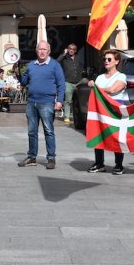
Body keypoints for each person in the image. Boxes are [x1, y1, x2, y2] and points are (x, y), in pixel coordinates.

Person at [18, 41, 65, 169]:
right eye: (40, 49)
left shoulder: (55, 65)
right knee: (31, 131)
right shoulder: (31, 65)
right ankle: (32, 157)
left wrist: (59, 101)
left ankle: (51, 158)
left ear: (49, 51)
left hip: (47, 102)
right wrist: (18, 71)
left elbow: (61, 84)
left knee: (48, 131)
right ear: (36, 50)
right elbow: (24, 82)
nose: (42, 51)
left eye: (45, 49)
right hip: (32, 102)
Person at [86, 50, 129, 175]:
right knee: (98, 134)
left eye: (109, 59)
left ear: (116, 61)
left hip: (115, 111)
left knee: (116, 136)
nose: (106, 61)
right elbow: (96, 95)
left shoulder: (121, 76)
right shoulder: (100, 77)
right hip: (100, 110)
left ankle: (119, 165)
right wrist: (91, 84)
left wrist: (96, 87)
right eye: (105, 59)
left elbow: (113, 89)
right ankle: (99, 163)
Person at [57, 42, 85, 124]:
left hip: (78, 82)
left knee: (79, 99)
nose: (71, 50)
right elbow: (57, 62)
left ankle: (80, 115)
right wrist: (64, 53)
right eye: (70, 49)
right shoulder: (64, 58)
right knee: (68, 100)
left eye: (73, 49)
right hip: (68, 82)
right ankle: (67, 116)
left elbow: (82, 66)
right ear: (67, 49)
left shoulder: (78, 58)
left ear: (75, 50)